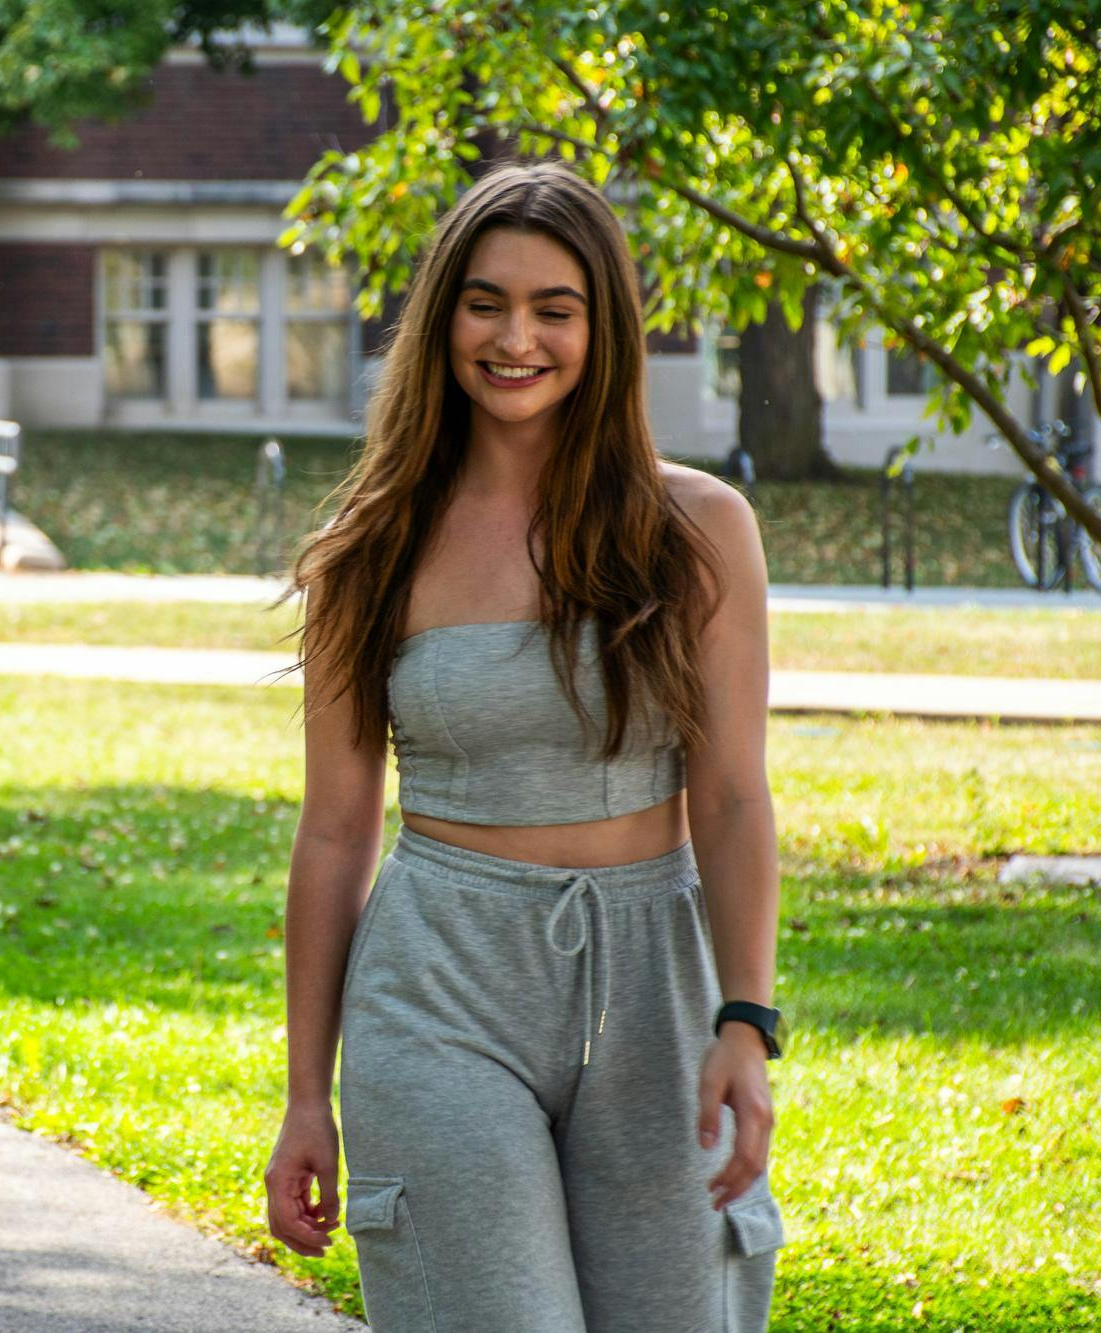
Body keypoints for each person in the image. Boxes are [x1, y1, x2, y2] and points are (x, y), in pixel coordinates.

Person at [263, 161, 786, 1331]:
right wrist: (306, 1092)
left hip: (653, 977)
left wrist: (744, 1019)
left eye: (555, 308)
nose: (515, 337)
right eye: (484, 301)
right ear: (440, 315)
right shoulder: (370, 546)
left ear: (604, 331)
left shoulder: (697, 528)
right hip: (437, 983)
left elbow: (735, 798)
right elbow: (336, 828)